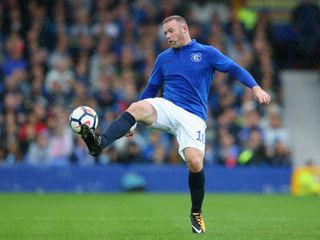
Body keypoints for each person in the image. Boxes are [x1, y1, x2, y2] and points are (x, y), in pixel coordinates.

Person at [79, 15, 271, 234]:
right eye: (165, 33)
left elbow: (234, 68)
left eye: (171, 31)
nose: (168, 36)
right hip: (168, 107)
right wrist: (133, 121)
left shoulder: (207, 53)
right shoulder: (163, 58)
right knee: (137, 106)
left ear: (185, 29)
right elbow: (151, 90)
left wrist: (255, 87)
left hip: (193, 117)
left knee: (195, 162)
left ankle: (196, 212)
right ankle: (98, 143)